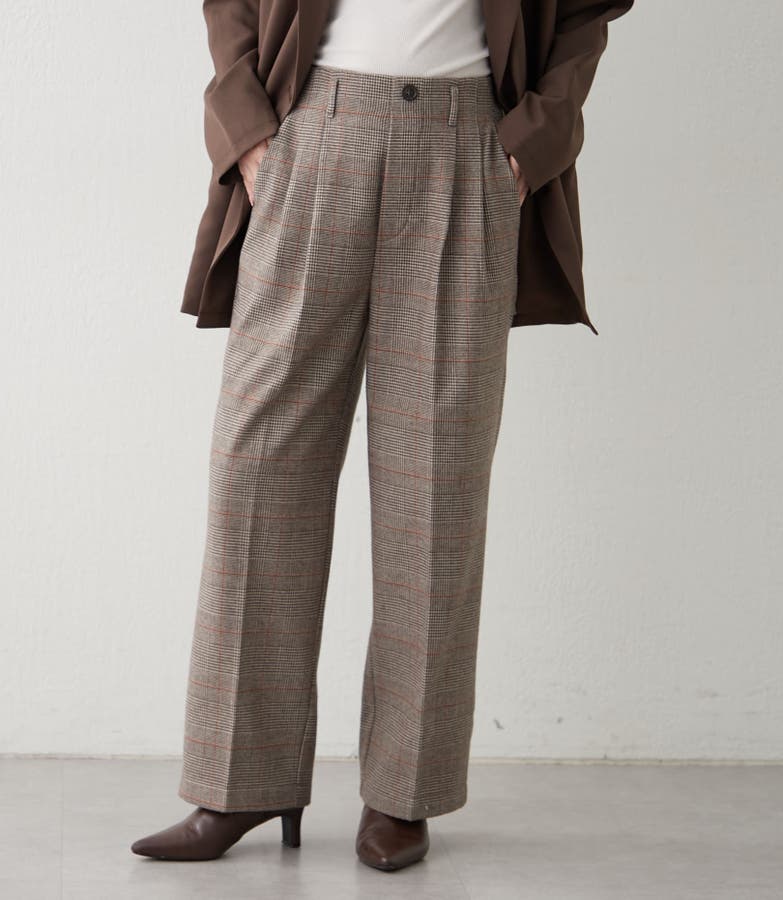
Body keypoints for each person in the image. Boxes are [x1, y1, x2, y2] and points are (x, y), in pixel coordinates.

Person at [132, 0, 633, 872]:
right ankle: (240, 781)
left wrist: (529, 146)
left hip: (467, 147)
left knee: (434, 487)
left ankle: (406, 791)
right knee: (258, 470)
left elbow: (588, 9)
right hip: (311, 136)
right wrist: (250, 134)